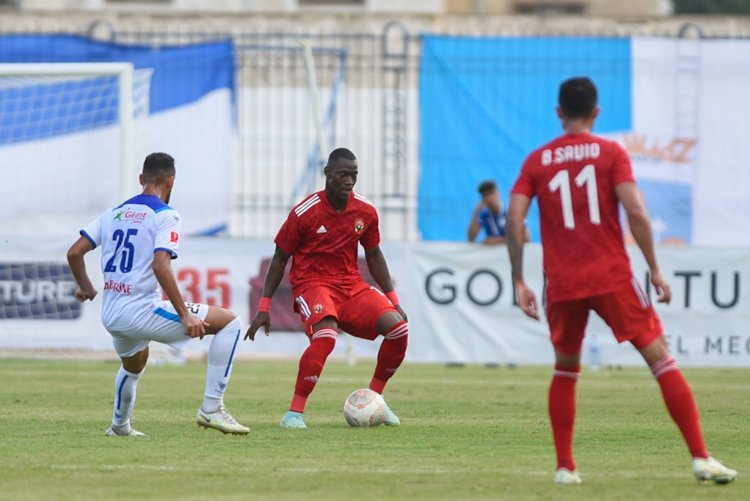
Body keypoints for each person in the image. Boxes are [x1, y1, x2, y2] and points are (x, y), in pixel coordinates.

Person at [506, 77, 736, 485]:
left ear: (559, 113)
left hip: (562, 281)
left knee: (565, 369)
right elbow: (637, 211)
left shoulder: (537, 160)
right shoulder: (611, 152)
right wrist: (654, 267)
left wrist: (519, 279)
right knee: (661, 358)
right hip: (611, 275)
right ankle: (700, 457)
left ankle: (565, 468)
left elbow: (514, 219)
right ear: (596, 112)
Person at [66, 152, 249, 436]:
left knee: (135, 363)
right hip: (140, 310)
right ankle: (212, 409)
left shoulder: (113, 213)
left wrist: (87, 287)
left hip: (112, 313)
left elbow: (75, 252)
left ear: (141, 179)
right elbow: (161, 264)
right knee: (231, 322)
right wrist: (184, 315)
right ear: (171, 180)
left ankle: (120, 426)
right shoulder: (165, 214)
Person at [245, 147, 408, 429]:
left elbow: (374, 254)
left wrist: (393, 300)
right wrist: (264, 307)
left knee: (398, 330)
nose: (349, 181)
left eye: (354, 175)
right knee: (326, 337)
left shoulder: (365, 211)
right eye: (343, 174)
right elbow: (280, 258)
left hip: (351, 286)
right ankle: (294, 413)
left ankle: (374, 400)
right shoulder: (305, 213)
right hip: (312, 285)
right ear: (328, 173)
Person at [468, 180, 529, 244]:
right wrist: (477, 211)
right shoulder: (484, 215)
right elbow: (471, 238)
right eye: (485, 195)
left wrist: (497, 241)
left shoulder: (511, 212)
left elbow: (526, 238)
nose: (489, 198)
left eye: (492, 193)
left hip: (511, 252)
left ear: (498, 193)